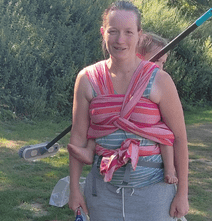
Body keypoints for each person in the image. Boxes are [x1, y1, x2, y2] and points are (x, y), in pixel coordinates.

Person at [67, 1, 189, 221]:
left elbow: (180, 138)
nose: (120, 39)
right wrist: (74, 188)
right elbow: (78, 138)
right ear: (103, 33)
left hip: (152, 194)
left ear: (138, 34)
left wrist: (183, 192)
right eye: (113, 31)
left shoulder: (159, 79)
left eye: (128, 32)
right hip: (104, 193)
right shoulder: (87, 79)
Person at [68, 31, 178, 183]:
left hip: (151, 131)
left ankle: (170, 169)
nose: (160, 66)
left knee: (164, 136)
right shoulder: (113, 79)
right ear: (138, 56)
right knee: (99, 124)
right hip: (111, 129)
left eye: (163, 62)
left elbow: (177, 133)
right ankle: (89, 150)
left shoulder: (158, 80)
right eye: (157, 60)